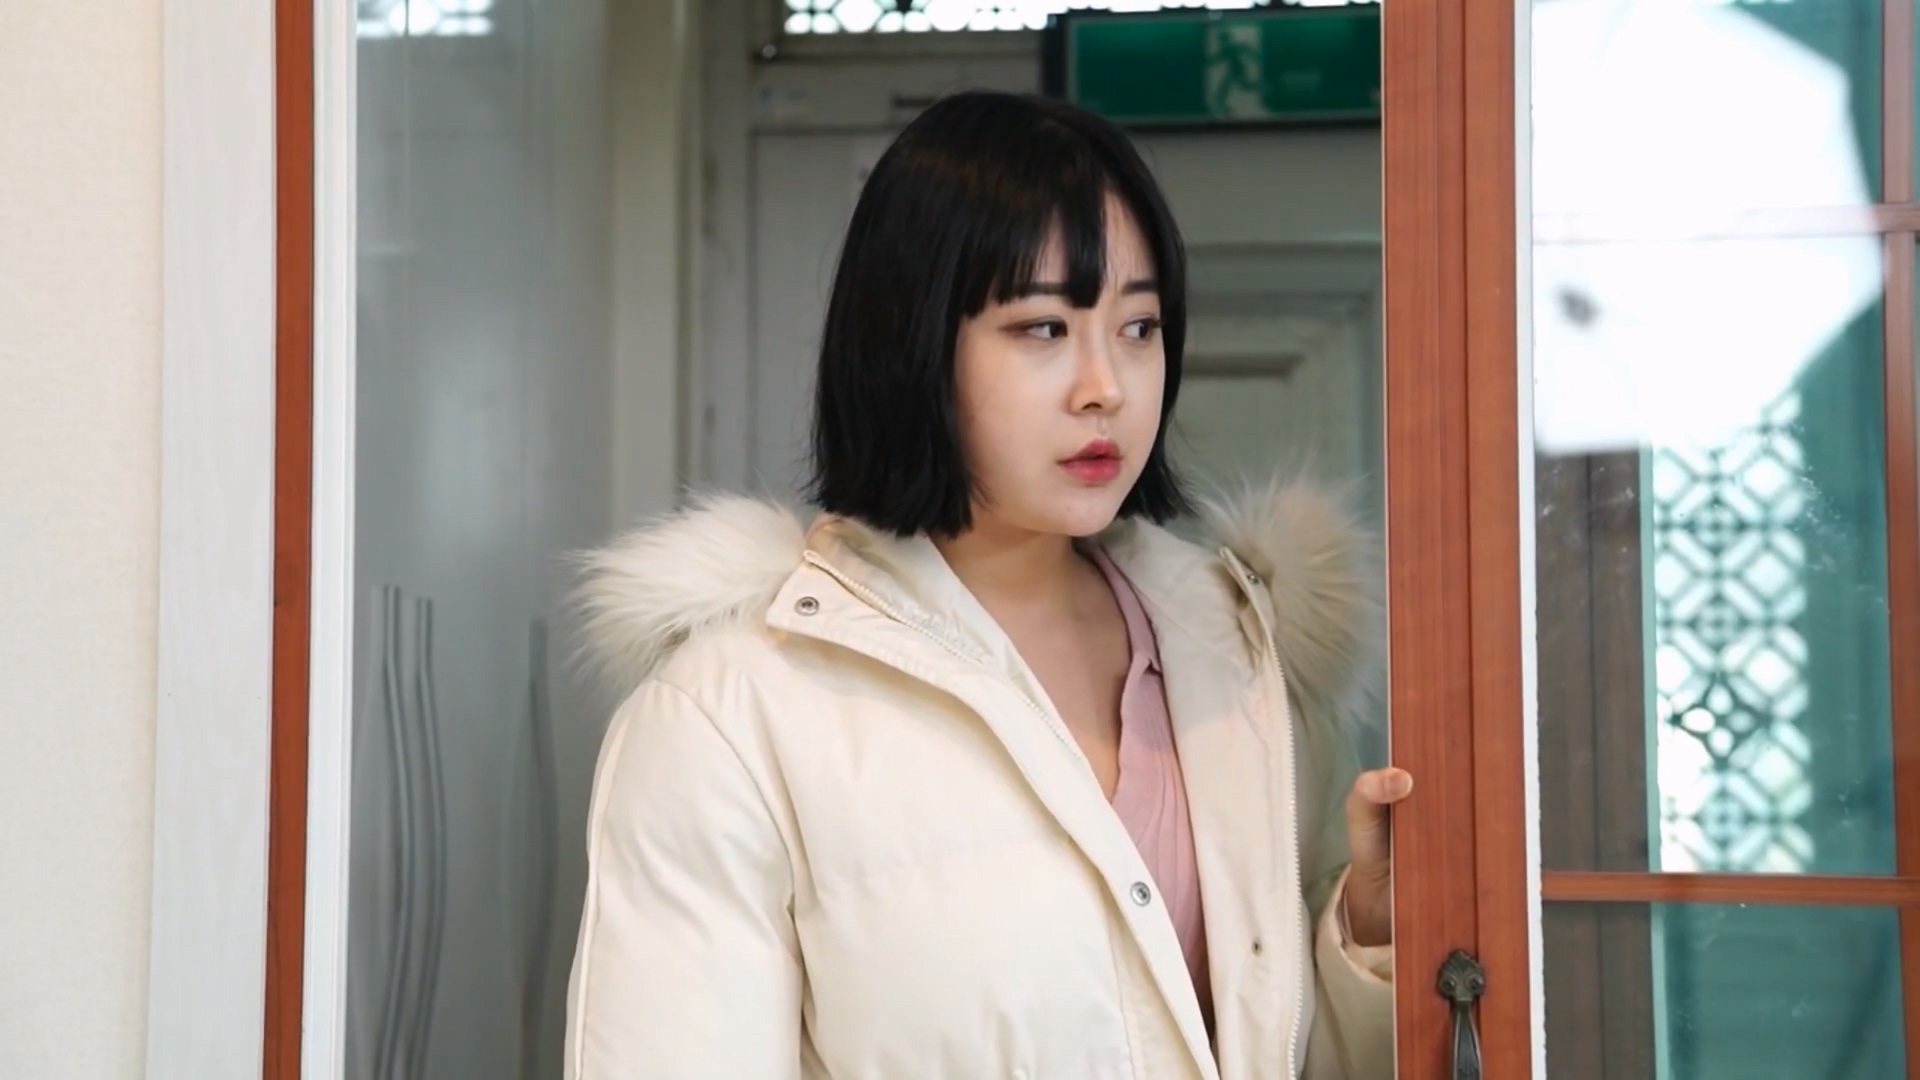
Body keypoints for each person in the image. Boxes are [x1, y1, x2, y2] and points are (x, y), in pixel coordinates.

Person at [563, 89, 1409, 1079]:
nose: (1105, 386)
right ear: (914, 344)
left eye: (1138, 327)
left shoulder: (1238, 649)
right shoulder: (732, 714)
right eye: (1043, 328)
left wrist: (1366, 938)